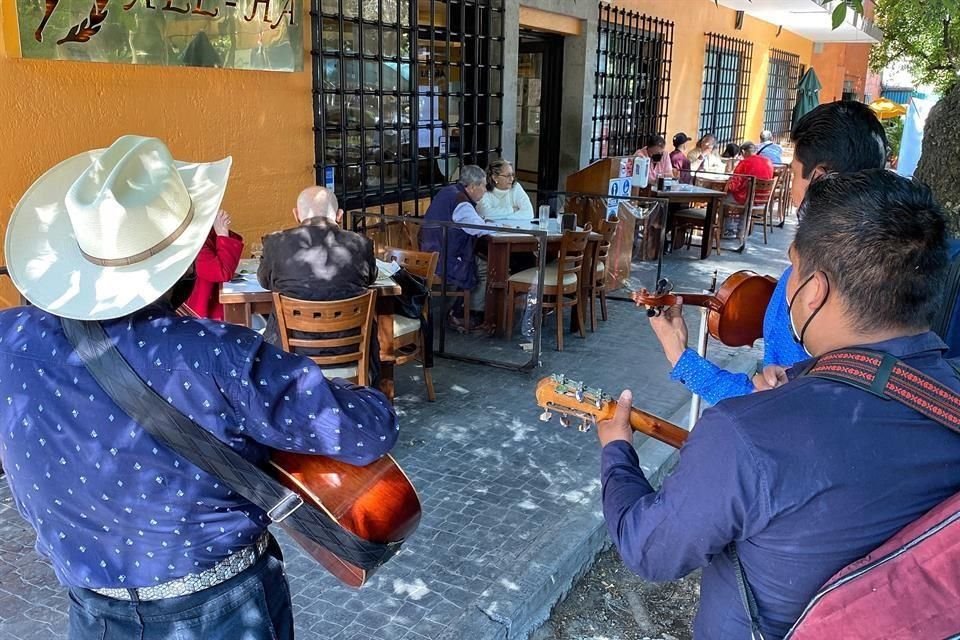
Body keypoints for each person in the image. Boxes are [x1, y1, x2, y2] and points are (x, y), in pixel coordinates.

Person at [0, 135, 398, 640]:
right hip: (223, 610)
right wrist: (355, 392)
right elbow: (367, 430)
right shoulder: (217, 354)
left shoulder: (9, 339)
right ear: (187, 261)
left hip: (92, 610)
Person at [603, 169, 960, 640]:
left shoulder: (746, 434)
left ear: (814, 291)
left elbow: (650, 550)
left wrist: (615, 452)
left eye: (791, 273)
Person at [646, 100, 887, 405]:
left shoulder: (819, 290)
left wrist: (679, 355)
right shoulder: (897, 268)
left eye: (798, 173)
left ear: (820, 178)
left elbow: (769, 408)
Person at [257, 186, 377, 347]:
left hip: (291, 353)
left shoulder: (276, 243)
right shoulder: (361, 243)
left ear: (296, 214)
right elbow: (370, 278)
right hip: (353, 347)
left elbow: (264, 282)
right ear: (339, 215)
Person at [419, 165, 495, 331]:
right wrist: (497, 226)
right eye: (483, 185)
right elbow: (478, 228)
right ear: (473, 186)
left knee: (477, 261)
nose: (485, 189)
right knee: (487, 268)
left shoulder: (449, 191)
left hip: (431, 251)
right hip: (444, 258)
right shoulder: (462, 202)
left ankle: (463, 310)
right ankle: (464, 314)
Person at [183, 208, 244, 320]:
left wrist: (221, 230)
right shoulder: (191, 239)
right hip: (202, 314)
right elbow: (221, 272)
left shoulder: (202, 231)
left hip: (214, 304)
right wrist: (222, 234)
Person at [477, 159, 534, 224]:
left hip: (515, 230)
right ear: (495, 177)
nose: (511, 179)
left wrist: (503, 218)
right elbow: (484, 213)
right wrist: (512, 210)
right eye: (507, 176)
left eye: (512, 175)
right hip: (492, 232)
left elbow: (529, 213)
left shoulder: (516, 187)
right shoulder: (484, 190)